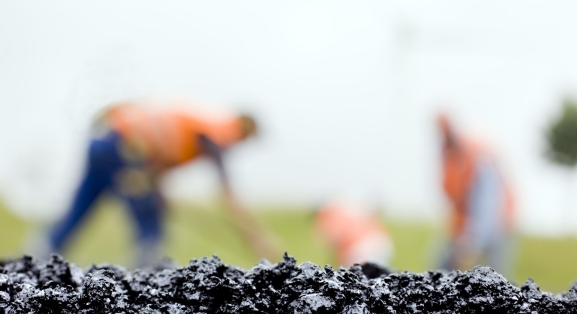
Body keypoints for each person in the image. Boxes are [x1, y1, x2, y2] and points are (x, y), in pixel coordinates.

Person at [45, 101, 276, 268]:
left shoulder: (198, 127)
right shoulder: (218, 135)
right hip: (122, 146)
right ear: (244, 132)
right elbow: (228, 198)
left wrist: (156, 188)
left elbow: (158, 159)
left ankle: (40, 257)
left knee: (81, 207)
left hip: (103, 141)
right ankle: (145, 280)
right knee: (150, 219)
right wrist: (258, 240)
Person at [436, 112, 515, 273]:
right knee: (441, 266)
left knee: (496, 277)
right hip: (464, 222)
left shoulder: (477, 155)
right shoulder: (448, 156)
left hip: (497, 220)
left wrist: (473, 239)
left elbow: (487, 202)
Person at [315, 201, 394, 267]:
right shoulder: (353, 211)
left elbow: (343, 241)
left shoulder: (332, 220)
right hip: (382, 244)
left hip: (360, 249)